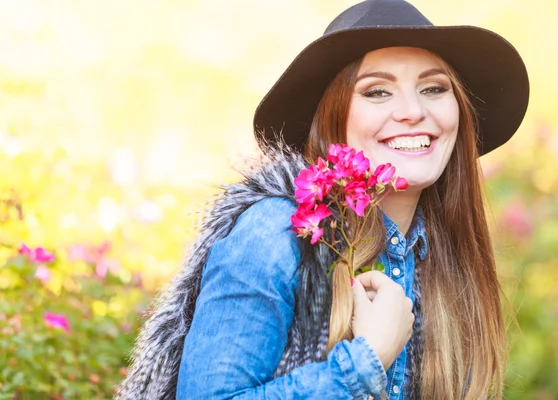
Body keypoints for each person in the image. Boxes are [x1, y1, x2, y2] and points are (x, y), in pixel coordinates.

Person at [115, 0, 529, 399]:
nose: (411, 111)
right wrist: (364, 364)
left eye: (433, 88)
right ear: (334, 119)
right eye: (378, 91)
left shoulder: (441, 257)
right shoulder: (276, 234)